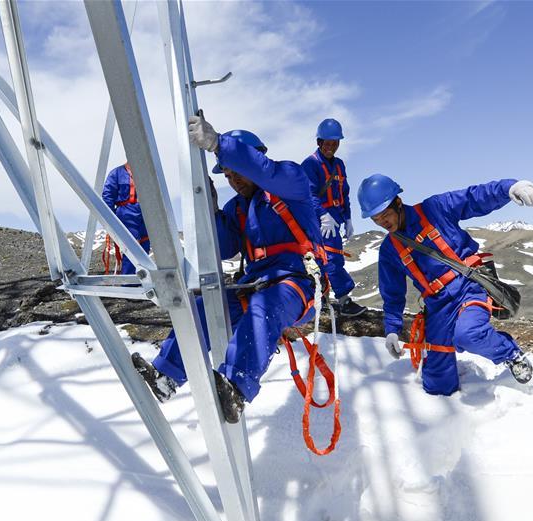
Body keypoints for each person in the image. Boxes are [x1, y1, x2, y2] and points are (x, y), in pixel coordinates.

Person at [131, 120, 326, 423]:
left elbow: (267, 171)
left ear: (255, 158)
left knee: (264, 308)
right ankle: (166, 376)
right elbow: (222, 248)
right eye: (229, 175)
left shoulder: (291, 182)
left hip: (295, 283)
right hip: (256, 284)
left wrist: (220, 145)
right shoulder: (239, 208)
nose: (234, 180)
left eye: (237, 171)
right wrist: (210, 212)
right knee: (202, 309)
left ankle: (236, 387)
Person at [358, 173, 533, 395]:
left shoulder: (435, 209)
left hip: (468, 286)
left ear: (398, 202)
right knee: (437, 384)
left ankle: (510, 353)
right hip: (438, 306)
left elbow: (473, 198)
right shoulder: (389, 250)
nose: (382, 222)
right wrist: (392, 330)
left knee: (468, 334)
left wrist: (508, 189)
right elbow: (392, 294)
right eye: (376, 219)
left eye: (385, 214)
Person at [300, 118, 366, 317]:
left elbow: (343, 193)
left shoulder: (339, 165)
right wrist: (323, 215)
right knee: (329, 259)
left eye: (335, 143)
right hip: (319, 221)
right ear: (319, 142)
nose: (331, 147)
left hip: (335, 219)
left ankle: (324, 300)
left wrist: (347, 218)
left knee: (328, 259)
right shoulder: (310, 164)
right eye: (327, 143)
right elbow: (308, 194)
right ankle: (344, 301)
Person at [101, 162, 150, 275]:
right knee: (132, 249)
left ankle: (143, 282)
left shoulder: (147, 172)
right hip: (125, 213)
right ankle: (130, 284)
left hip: (146, 214)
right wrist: (112, 220)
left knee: (144, 248)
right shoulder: (116, 173)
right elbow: (107, 196)